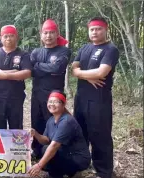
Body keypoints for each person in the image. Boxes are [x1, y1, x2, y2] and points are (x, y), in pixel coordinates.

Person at [72, 17, 119, 178]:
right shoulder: (84, 48)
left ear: (105, 30)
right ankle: (82, 163)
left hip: (99, 99)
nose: (94, 32)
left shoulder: (110, 49)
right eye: (92, 29)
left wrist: (81, 74)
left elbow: (101, 72)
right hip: (81, 97)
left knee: (100, 134)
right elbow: (74, 68)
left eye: (98, 29)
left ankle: (104, 171)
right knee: (80, 131)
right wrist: (86, 76)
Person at [30, 19, 71, 159]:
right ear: (41, 35)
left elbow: (58, 68)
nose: (48, 36)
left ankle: (55, 153)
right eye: (45, 33)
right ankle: (36, 150)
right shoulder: (36, 51)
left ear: (57, 34)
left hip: (54, 96)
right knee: (36, 122)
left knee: (54, 124)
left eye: (52, 33)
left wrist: (39, 66)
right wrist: (47, 68)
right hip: (37, 94)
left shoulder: (63, 50)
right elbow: (32, 70)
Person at [28, 90, 91, 178]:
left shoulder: (67, 121)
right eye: (50, 101)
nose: (52, 104)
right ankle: (59, 172)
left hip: (78, 158)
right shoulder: (51, 120)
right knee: (45, 150)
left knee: (51, 152)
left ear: (63, 104)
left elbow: (54, 145)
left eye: (56, 102)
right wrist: (36, 134)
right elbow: (46, 140)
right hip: (65, 153)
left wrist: (39, 165)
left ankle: (72, 172)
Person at [0, 25, 32, 129]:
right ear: (1, 38)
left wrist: (4, 75)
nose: (8, 39)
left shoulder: (23, 54)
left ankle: (15, 146)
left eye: (11, 36)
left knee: (16, 127)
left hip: (16, 97)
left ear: (16, 37)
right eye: (5, 36)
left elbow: (26, 73)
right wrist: (14, 72)